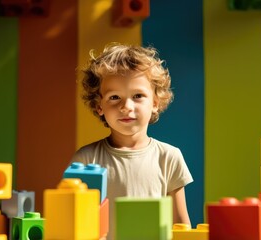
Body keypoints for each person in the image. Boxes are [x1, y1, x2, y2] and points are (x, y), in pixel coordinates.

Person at [71, 43, 193, 239]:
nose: (126, 106)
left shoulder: (169, 157)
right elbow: (73, 220)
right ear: (99, 105)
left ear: (154, 103)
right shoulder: (86, 159)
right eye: (114, 97)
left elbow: (180, 224)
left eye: (137, 96)